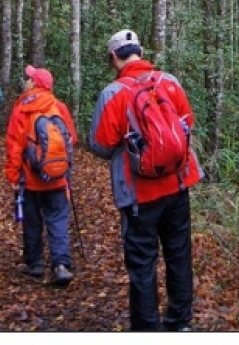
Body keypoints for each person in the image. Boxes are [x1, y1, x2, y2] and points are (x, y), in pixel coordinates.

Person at [89, 29, 203, 332]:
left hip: (139, 195)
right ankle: (180, 323)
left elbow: (100, 145)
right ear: (140, 51)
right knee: (179, 253)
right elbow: (187, 124)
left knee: (142, 263)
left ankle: (147, 329)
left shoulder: (113, 93)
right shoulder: (170, 83)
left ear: (114, 58)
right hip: (178, 185)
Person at [4, 65, 78, 286]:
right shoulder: (59, 108)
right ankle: (61, 264)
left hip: (32, 180)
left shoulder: (21, 109)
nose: (26, 81)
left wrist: (13, 177)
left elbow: (14, 147)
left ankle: (35, 263)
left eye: (29, 78)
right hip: (57, 178)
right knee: (58, 220)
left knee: (33, 221)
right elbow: (71, 139)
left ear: (35, 84)